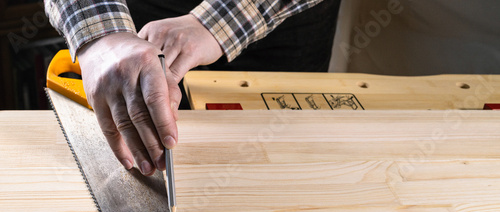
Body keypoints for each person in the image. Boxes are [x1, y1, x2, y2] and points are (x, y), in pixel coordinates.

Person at [44, 0, 340, 176]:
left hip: (283, 14)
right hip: (128, 10)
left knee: (281, 166)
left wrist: (218, 21)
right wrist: (102, 37)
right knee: (138, 118)